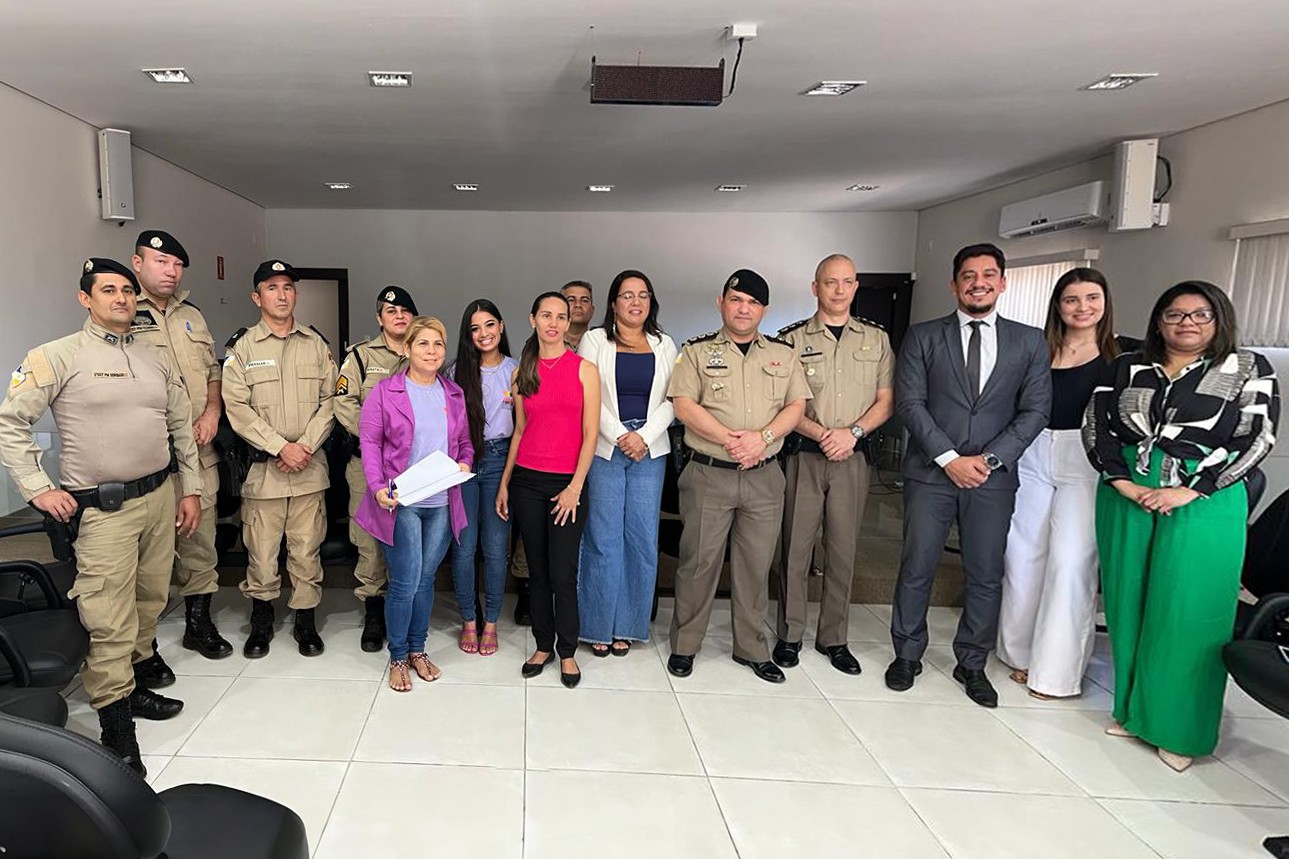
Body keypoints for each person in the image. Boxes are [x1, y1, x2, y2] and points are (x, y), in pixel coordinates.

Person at [0, 258, 202, 775]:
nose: (121, 299)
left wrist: (190, 490)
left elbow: (180, 426)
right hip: (103, 509)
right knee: (109, 616)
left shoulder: (153, 356)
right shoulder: (57, 356)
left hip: (160, 496)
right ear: (84, 298)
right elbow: (10, 422)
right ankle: (117, 730)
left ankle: (132, 688)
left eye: (128, 292)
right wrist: (39, 488)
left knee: (151, 598)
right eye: (108, 290)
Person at [1085, 280, 1279, 771]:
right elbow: (1097, 426)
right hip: (1127, 493)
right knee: (1129, 606)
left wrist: (1192, 489)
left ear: (1218, 320)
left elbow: (1257, 438)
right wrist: (1122, 481)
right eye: (1174, 314)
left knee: (1189, 612)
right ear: (1159, 321)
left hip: (1203, 500)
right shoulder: (1127, 366)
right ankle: (1132, 712)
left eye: (1199, 315)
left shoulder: (1246, 368)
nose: (1186, 323)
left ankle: (1180, 729)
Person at [887, 243, 1051, 707]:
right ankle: (907, 654)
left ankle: (972, 662)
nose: (978, 282)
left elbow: (1036, 410)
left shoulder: (1029, 341)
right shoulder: (922, 336)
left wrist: (991, 460)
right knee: (917, 566)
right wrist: (948, 457)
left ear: (1002, 282)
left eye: (988, 275)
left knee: (984, 572)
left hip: (992, 479)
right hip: (930, 473)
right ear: (954, 283)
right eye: (968, 275)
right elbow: (910, 404)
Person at [666, 269, 811, 683]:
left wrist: (761, 439)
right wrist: (734, 441)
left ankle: (751, 648)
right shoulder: (695, 352)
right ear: (721, 303)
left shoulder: (783, 354)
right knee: (698, 562)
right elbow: (683, 405)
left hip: (764, 476)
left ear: (763, 309)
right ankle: (685, 644)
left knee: (755, 565)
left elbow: (795, 406)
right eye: (736, 300)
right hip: (710, 472)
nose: (743, 308)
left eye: (752, 302)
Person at [997, 268, 1120, 700]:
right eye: (1072, 299)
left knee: (1071, 563)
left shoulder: (1121, 357)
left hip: (1084, 459)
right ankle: (1019, 655)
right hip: (1031, 452)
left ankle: (1056, 674)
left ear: (1105, 302)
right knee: (1022, 556)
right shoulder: (1037, 348)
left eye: (1092, 298)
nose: (1082, 307)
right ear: (1058, 305)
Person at [775, 254, 894, 675]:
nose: (838, 290)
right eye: (830, 282)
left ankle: (834, 638)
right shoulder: (790, 340)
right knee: (795, 548)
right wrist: (821, 433)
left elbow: (886, 401)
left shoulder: (876, 340)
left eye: (846, 282)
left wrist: (853, 434)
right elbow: (786, 403)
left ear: (856, 286)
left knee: (843, 549)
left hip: (852, 458)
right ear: (815, 288)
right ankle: (789, 634)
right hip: (806, 455)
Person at [127, 229, 232, 678]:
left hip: (199, 451)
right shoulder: (122, 313)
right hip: (148, 458)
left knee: (200, 542)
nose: (170, 271)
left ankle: (198, 623)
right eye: (160, 261)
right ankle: (142, 647)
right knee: (147, 555)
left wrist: (213, 410)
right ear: (137, 263)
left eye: (176, 264)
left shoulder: (193, 315)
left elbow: (212, 369)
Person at [222, 260, 336, 659]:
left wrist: (303, 446)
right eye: (272, 287)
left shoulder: (316, 345)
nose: (282, 294)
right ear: (257, 297)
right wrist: (279, 447)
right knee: (262, 553)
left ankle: (306, 623)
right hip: (264, 472)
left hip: (308, 470)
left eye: (288, 287)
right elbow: (236, 407)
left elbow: (331, 401)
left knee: (306, 550)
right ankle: (262, 622)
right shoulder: (242, 348)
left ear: (296, 294)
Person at [354, 317, 473, 691]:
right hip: (401, 501)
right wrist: (376, 486)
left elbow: (465, 442)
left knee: (425, 580)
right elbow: (370, 444)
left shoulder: (452, 394)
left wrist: (465, 461)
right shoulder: (385, 393)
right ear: (406, 349)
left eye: (438, 344)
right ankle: (399, 656)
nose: (432, 351)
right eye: (423, 344)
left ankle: (419, 650)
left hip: (440, 501)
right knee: (405, 582)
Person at [496, 292, 600, 688]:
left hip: (566, 484)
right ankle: (542, 644)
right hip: (526, 482)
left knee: (563, 573)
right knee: (536, 572)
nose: (554, 323)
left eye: (561, 316)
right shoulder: (522, 373)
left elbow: (591, 434)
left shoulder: (584, 370)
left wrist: (575, 486)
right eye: (546, 315)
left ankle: (568, 651)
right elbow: (520, 431)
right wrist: (505, 482)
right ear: (533, 319)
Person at [577, 270, 677, 656]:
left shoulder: (664, 343)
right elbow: (588, 395)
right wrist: (620, 434)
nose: (635, 302)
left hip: (650, 451)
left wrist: (644, 436)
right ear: (613, 302)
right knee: (602, 538)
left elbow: (675, 397)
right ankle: (598, 625)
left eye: (643, 295)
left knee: (640, 539)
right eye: (627, 295)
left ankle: (629, 626)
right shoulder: (594, 340)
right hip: (605, 447)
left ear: (651, 301)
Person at [335, 286, 415, 652]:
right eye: (390, 310)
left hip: (411, 468)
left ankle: (404, 603)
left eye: (404, 310)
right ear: (379, 318)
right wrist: (376, 439)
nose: (398, 315)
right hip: (366, 465)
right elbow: (343, 402)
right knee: (368, 538)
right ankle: (373, 610)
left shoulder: (423, 352)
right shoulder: (360, 358)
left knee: (406, 536)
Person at [446, 299, 517, 657]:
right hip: (463, 464)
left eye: (489, 325)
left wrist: (507, 478)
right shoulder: (455, 372)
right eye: (475, 328)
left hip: (501, 461)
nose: (484, 333)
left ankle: (491, 623)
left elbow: (524, 428)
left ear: (501, 327)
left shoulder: (517, 371)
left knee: (494, 547)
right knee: (464, 547)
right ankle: (468, 621)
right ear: (467, 334)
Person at [562, 280, 595, 350]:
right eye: (571, 300)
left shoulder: (600, 344)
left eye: (584, 300)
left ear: (592, 310)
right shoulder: (545, 344)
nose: (578, 305)